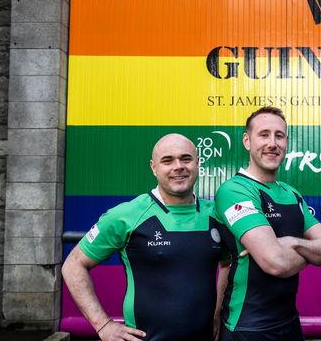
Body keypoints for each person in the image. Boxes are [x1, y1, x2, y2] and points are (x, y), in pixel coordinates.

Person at [62, 133, 230, 341]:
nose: (178, 166)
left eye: (185, 159)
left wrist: (217, 313)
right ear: (153, 167)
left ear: (197, 163)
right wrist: (103, 325)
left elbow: (227, 262)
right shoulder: (126, 215)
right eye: (167, 160)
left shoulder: (216, 215)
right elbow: (73, 265)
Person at [214, 106, 321, 341]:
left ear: (286, 142)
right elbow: (276, 263)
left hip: (290, 323)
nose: (272, 143)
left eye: (279, 135)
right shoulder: (235, 190)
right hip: (248, 328)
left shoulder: (292, 194)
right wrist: (308, 252)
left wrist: (288, 242)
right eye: (264, 135)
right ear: (247, 141)